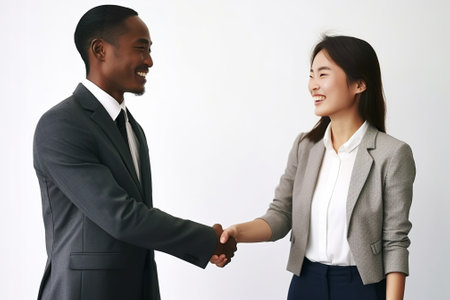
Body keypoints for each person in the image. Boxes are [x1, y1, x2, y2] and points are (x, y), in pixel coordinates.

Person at [33, 5, 236, 300]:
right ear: (100, 50)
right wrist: (207, 241)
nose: (149, 61)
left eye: (150, 50)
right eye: (140, 49)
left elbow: (139, 216)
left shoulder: (133, 128)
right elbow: (121, 216)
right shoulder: (61, 124)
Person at [211, 35, 415, 300]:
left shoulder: (392, 154)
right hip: (305, 283)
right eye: (311, 75)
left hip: (361, 287)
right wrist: (236, 232)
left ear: (359, 84)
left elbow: (395, 241)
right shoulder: (304, 146)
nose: (313, 85)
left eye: (323, 74)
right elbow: (281, 214)